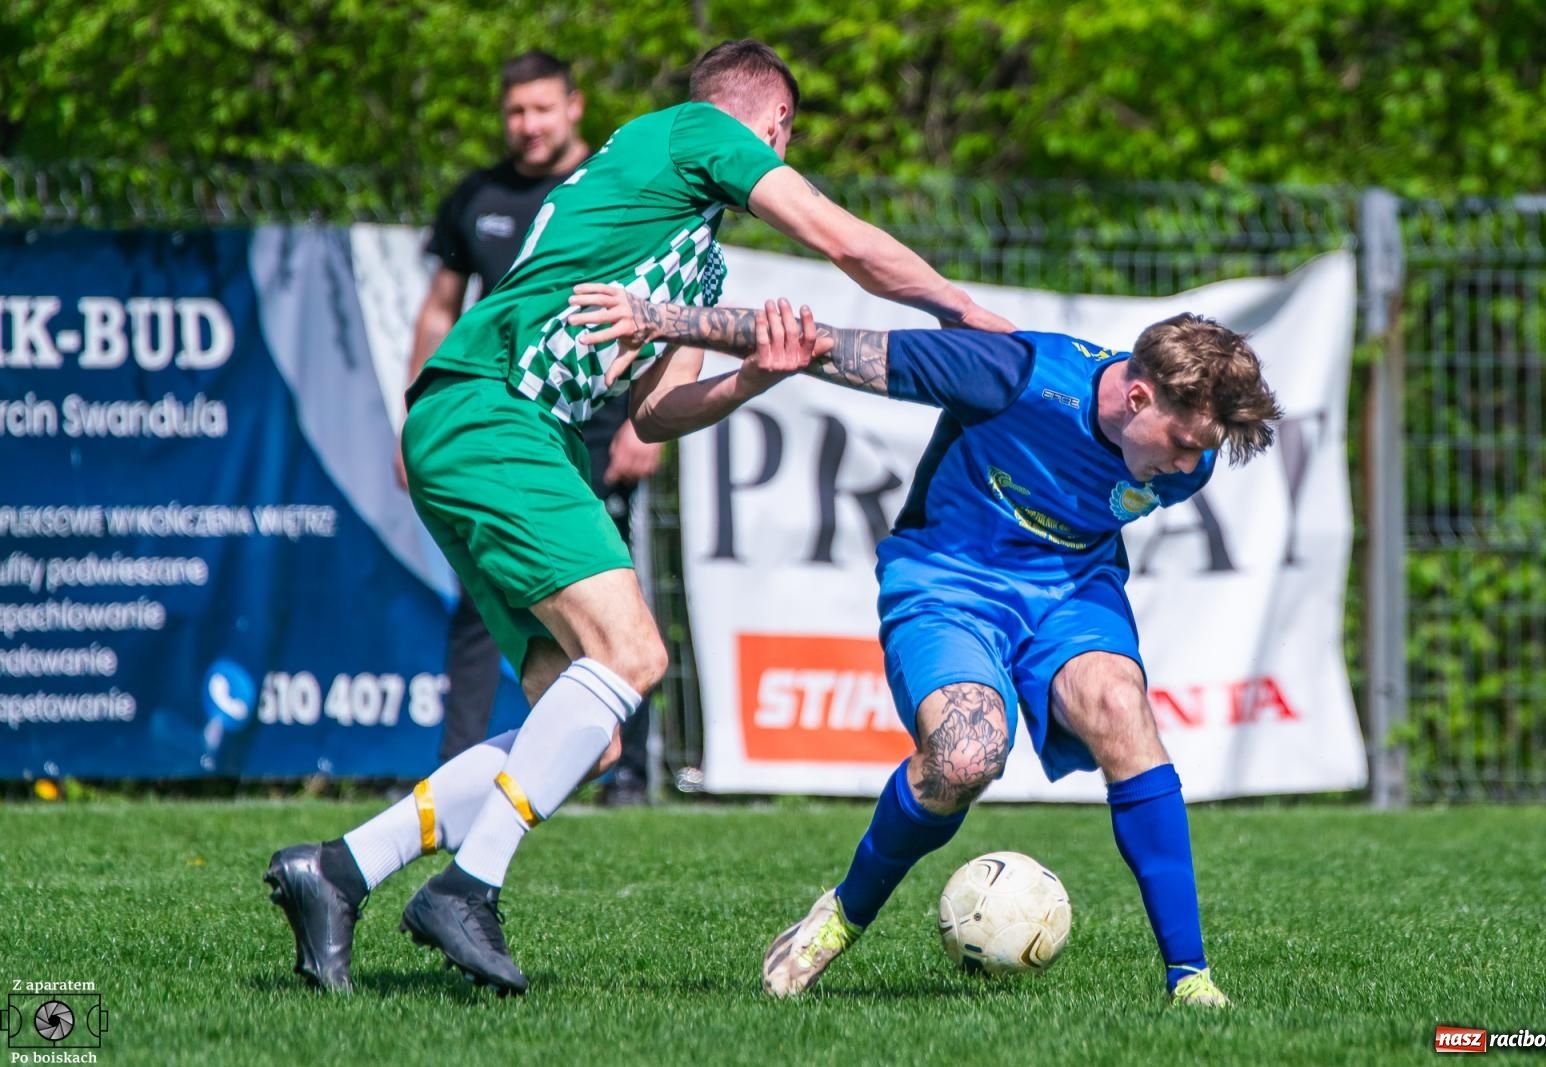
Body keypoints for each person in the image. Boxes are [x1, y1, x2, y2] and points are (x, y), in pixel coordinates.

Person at [263, 38, 1014, 996]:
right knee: (635, 658)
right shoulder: (695, 131)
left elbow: (657, 411)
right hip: (498, 413)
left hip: (498, 432)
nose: (782, 158)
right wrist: (962, 310)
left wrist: (755, 375)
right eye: (783, 139)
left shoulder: (687, 255)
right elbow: (843, 240)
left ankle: (335, 870)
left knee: (587, 725)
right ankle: (466, 888)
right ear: (771, 124)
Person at [564, 286, 1284, 1008]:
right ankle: (842, 915)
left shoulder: (1189, 463)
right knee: (964, 756)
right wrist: (662, 318)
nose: (1190, 462)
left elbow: (1137, 485)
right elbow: (821, 342)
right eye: (1185, 440)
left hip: (1070, 587)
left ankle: (1189, 977)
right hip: (949, 583)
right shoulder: (1011, 374)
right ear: (1136, 396)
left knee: (1119, 706)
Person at [398, 49, 663, 797]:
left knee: (618, 602)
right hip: (495, 425)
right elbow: (441, 308)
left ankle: (626, 774)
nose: (528, 125)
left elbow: (652, 304)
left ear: (574, 106)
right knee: (486, 610)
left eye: (542, 108)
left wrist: (646, 425)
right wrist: (413, 410)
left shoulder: (609, 185)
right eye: (515, 111)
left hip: (597, 424)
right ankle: (458, 767)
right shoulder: (475, 195)